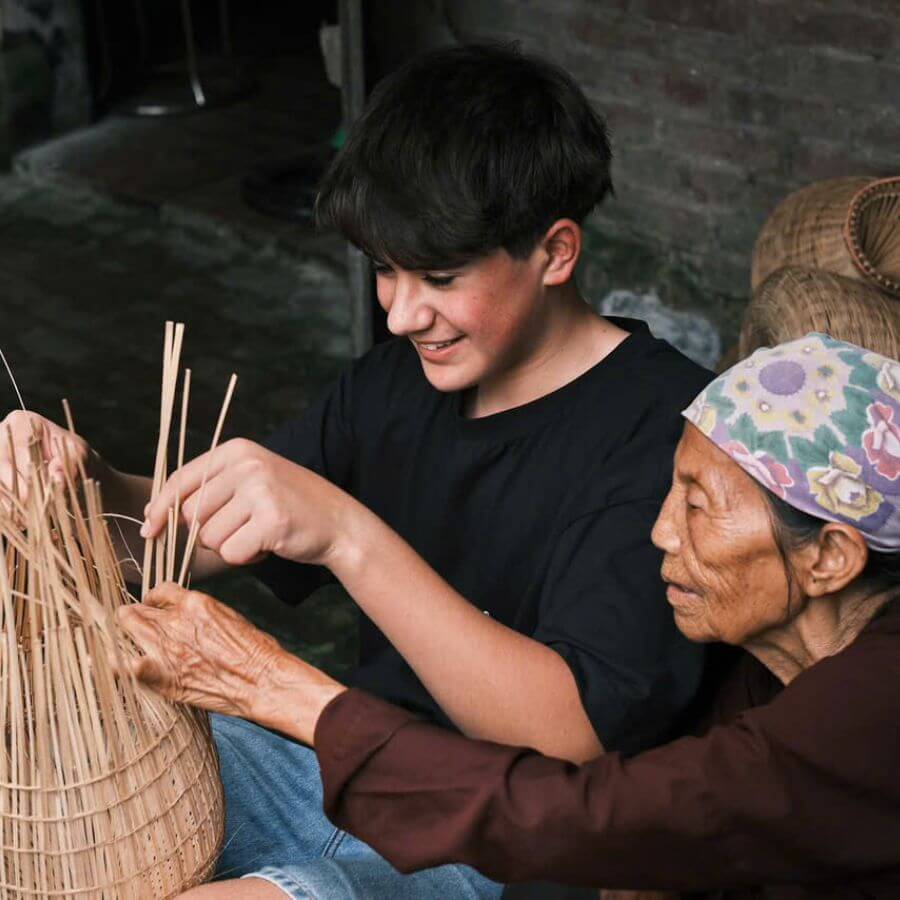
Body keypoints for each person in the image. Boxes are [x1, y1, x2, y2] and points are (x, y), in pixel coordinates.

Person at [2, 45, 709, 899]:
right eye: (385, 269)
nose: (404, 313)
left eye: (441, 277)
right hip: (333, 772)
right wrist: (86, 486)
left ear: (556, 252)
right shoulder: (395, 382)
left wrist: (347, 535)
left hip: (499, 849)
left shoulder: (664, 434)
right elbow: (178, 543)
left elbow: (570, 735)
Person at [120, 333, 900, 898]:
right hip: (426, 796)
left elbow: (590, 816)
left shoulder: (873, 705)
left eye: (696, 507)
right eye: (671, 492)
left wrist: (273, 684)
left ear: (829, 558)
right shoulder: (768, 657)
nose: (660, 531)